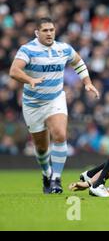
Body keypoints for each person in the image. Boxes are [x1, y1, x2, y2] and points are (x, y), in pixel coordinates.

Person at [9, 17, 99, 194]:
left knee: (59, 135)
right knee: (41, 147)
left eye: (51, 30)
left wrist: (87, 82)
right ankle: (46, 173)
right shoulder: (28, 49)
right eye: (45, 30)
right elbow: (14, 71)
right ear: (37, 33)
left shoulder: (63, 48)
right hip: (33, 104)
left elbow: (78, 62)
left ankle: (56, 179)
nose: (49, 33)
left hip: (55, 100)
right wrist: (30, 79)